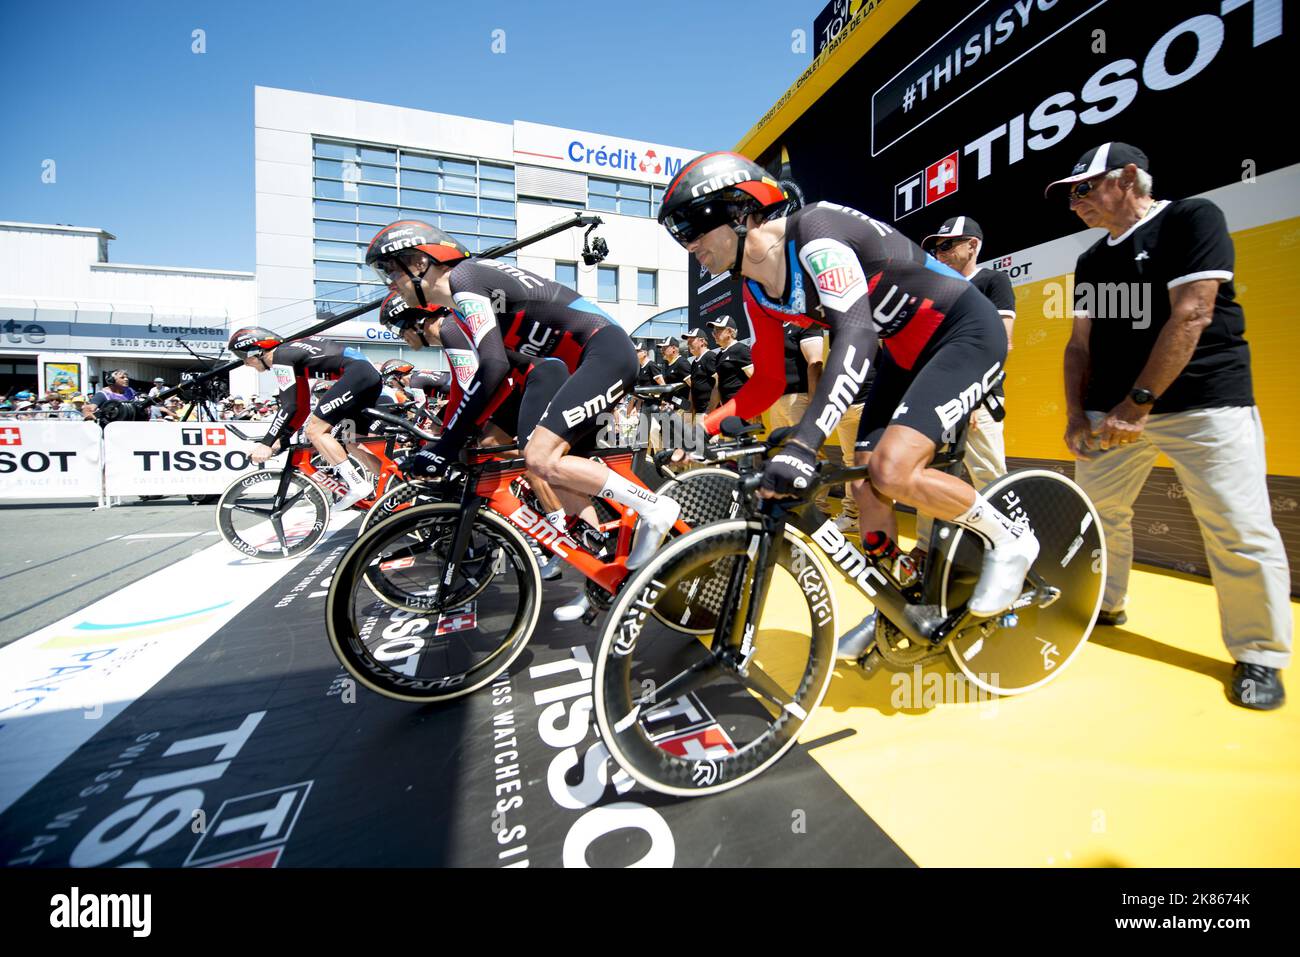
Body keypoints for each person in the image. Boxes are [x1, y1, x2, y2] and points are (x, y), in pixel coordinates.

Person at [658, 151, 1032, 655]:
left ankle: (1011, 540)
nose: (688, 244)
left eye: (692, 226)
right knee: (865, 479)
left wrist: (806, 443)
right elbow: (767, 381)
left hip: (963, 331)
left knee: (893, 469)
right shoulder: (754, 286)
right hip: (905, 352)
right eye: (678, 233)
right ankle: (893, 608)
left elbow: (855, 334)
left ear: (742, 212)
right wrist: (702, 429)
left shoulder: (816, 229)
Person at [1049, 142, 1291, 710]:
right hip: (1111, 413)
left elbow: (1194, 313)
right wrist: (1074, 413)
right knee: (1100, 516)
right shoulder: (1090, 261)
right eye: (1070, 195)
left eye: (1084, 188)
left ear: (1129, 177)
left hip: (1205, 401)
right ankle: (1105, 606)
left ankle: (1260, 654)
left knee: (1238, 525)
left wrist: (1137, 405)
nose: (1075, 202)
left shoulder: (1191, 217)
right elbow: (1079, 344)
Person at [365, 219, 680, 572]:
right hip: (581, 365)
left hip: (603, 351)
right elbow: (486, 380)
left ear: (421, 262)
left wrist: (446, 444)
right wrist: (451, 437)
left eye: (392, 271)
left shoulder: (464, 279)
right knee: (554, 471)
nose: (390, 283)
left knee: (539, 458)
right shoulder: (461, 300)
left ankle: (654, 507)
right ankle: (602, 568)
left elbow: (492, 368)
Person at [915, 215, 1017, 553]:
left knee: (990, 477)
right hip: (938, 401)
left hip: (978, 400)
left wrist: (971, 397)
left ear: (973, 245)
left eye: (947, 245)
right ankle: (927, 551)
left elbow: (1001, 344)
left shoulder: (993, 281)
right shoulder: (938, 290)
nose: (939, 252)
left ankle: (1009, 549)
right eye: (935, 247)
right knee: (928, 476)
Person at [227, 327, 384, 511]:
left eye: (243, 356)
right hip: (366, 376)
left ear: (257, 350)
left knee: (315, 431)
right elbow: (300, 407)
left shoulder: (280, 357)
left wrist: (267, 443)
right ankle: (393, 484)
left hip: (358, 374)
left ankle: (358, 484)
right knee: (351, 441)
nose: (245, 363)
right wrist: (284, 437)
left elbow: (289, 406)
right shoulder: (290, 355)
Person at [707, 315, 753, 409]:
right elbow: (717, 387)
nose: (714, 334)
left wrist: (756, 407)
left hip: (743, 407)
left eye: (717, 331)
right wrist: (709, 412)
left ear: (729, 331)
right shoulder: (719, 356)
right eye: (713, 332)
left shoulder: (741, 349)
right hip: (726, 408)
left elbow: (755, 378)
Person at [682, 328, 718, 430]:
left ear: (702, 341)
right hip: (699, 413)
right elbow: (693, 388)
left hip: (709, 413)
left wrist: (709, 412)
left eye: (691, 340)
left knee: (707, 444)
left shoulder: (710, 357)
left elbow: (718, 384)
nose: (688, 343)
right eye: (687, 341)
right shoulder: (694, 362)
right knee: (695, 444)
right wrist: (689, 412)